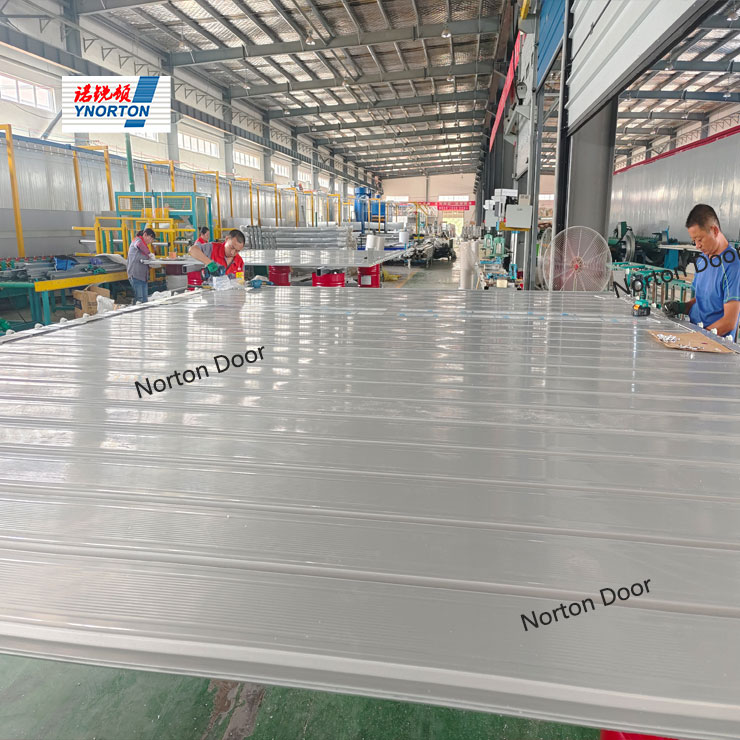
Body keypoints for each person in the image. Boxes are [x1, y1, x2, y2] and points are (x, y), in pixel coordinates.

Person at [663, 204, 740, 340]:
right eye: (694, 241)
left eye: (700, 239)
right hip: (695, 335)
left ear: (714, 230)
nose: (697, 246)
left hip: (715, 345)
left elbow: (729, 323)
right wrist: (682, 307)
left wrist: (698, 338)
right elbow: (701, 300)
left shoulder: (732, 266)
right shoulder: (702, 260)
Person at [126, 227, 156, 304]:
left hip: (143, 277)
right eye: (150, 239)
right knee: (139, 299)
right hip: (135, 275)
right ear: (145, 235)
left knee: (145, 300)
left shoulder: (144, 246)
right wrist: (149, 254)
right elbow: (139, 245)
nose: (150, 241)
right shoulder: (137, 240)